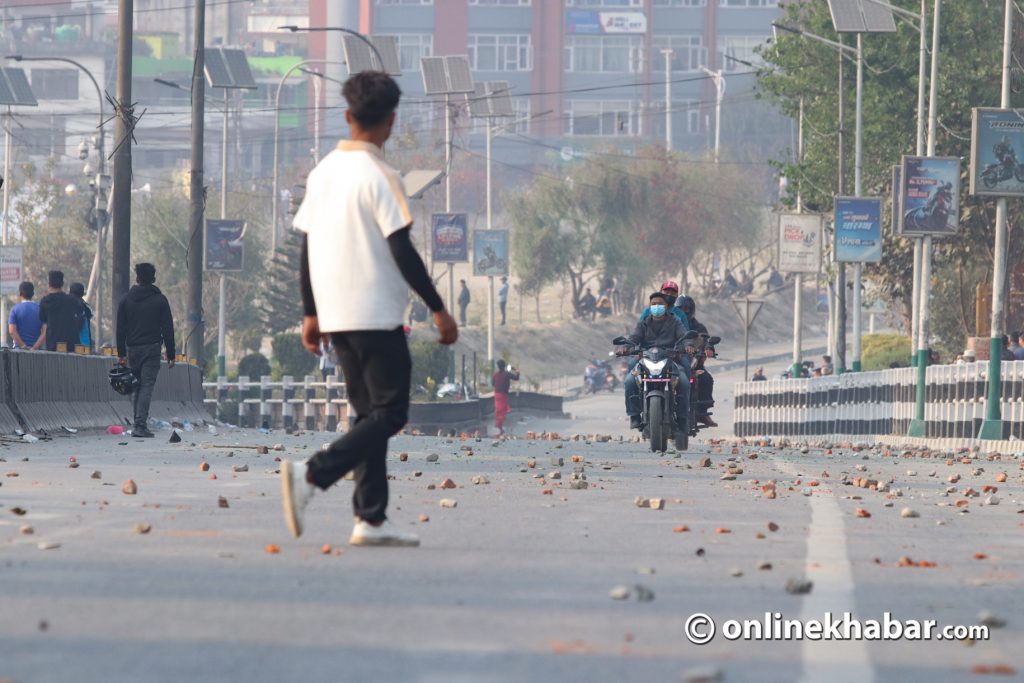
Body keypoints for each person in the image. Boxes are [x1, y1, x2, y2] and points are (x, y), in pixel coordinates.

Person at [280, 70, 458, 548]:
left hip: (337, 316)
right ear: (392, 121)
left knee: (366, 416)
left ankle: (370, 518)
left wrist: (311, 312)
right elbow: (401, 249)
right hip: (377, 314)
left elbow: (306, 246)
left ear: (347, 115)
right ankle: (314, 474)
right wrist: (439, 309)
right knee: (391, 413)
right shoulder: (383, 176)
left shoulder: (322, 173)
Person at [116, 263, 176, 439]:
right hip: (152, 349)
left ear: (137, 278)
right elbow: (168, 329)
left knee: (137, 386)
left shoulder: (125, 300)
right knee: (146, 387)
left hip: (132, 349)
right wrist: (171, 354)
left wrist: (121, 353)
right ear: (153, 279)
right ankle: (140, 425)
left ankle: (138, 424)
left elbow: (120, 329)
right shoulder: (160, 300)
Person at [623, 292, 690, 431]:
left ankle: (683, 418)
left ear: (666, 306)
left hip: (670, 359)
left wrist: (688, 345)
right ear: (650, 306)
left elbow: (684, 336)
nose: (657, 306)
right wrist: (626, 346)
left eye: (660, 304)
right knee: (629, 381)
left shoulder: (675, 322)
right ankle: (634, 415)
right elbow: (634, 337)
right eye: (654, 304)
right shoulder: (643, 323)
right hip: (646, 359)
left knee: (683, 381)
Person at [675, 295, 716, 427]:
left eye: (686, 309)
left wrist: (709, 348)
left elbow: (706, 340)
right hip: (672, 363)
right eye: (679, 309)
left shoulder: (698, 326)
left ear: (691, 310)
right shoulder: (670, 324)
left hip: (693, 363)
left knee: (706, 379)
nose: (683, 312)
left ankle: (702, 413)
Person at [38, 270, 84, 353]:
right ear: (62, 284)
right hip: (71, 347)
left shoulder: (44, 302)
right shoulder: (71, 300)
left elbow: (44, 323)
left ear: (49, 284)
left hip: (52, 346)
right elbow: (80, 314)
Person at [8, 281, 43, 350]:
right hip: (36, 353)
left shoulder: (15, 309)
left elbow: (12, 331)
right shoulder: (40, 309)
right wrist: (34, 347)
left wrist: (23, 346)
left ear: (20, 294)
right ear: (33, 294)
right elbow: (45, 331)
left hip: (18, 352)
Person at [492, 359, 519, 437]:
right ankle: (498, 428)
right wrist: (516, 370)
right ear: (504, 366)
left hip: (497, 394)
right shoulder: (507, 374)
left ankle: (499, 428)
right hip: (503, 395)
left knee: (498, 411)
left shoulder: (495, 375)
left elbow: (493, 383)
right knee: (502, 411)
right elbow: (516, 378)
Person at [69, 282, 93, 351]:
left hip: (75, 346)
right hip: (85, 346)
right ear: (82, 294)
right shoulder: (85, 306)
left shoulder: (68, 305)